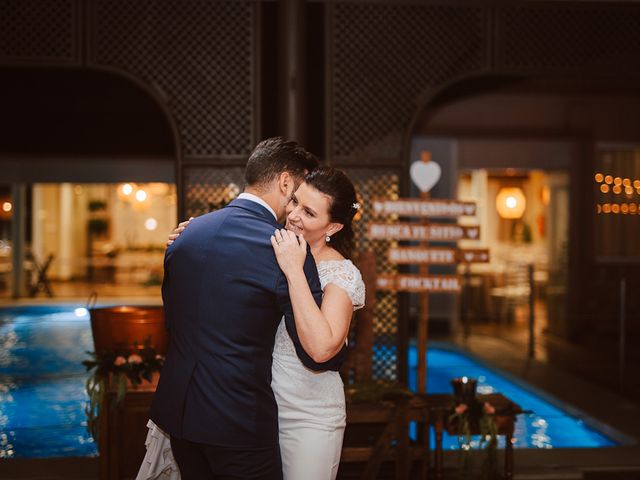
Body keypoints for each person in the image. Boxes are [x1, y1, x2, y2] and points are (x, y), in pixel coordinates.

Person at [142, 138, 347, 480]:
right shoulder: (285, 251)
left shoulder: (187, 235)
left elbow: (176, 318)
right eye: (297, 194)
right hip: (237, 420)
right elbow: (319, 355)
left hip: (179, 414)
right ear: (284, 183)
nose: (296, 210)